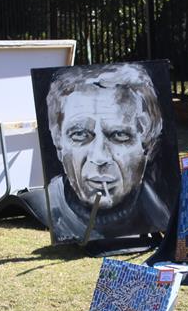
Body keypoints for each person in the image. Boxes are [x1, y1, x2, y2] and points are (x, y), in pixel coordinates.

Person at [44, 63, 171, 242]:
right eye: (80, 134)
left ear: (148, 143)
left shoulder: (164, 214)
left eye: (119, 135)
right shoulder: (48, 206)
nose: (100, 157)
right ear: (58, 141)